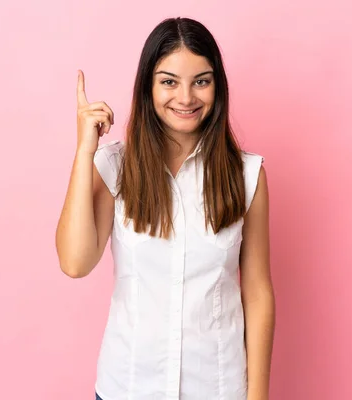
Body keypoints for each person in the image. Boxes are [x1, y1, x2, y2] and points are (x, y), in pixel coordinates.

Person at [55, 17, 275, 400]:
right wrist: (84, 152)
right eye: (169, 81)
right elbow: (75, 263)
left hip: (217, 388)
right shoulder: (115, 168)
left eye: (201, 81)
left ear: (217, 87)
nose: (186, 97)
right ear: (148, 87)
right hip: (127, 386)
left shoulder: (247, 175)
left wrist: (257, 396)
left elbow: (257, 292)